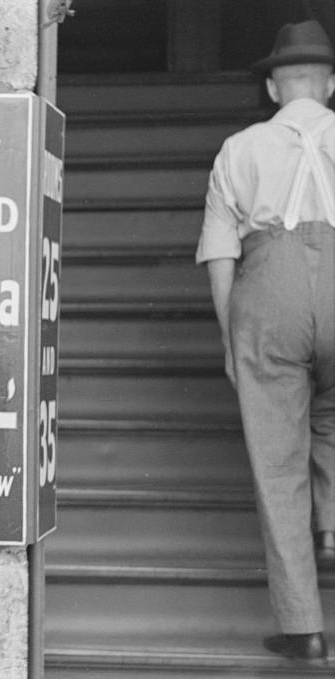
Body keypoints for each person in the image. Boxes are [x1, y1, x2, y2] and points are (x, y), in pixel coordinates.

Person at [197, 19, 335, 664]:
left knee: (278, 462)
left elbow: (221, 254)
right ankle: (331, 526)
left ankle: (304, 627)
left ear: (276, 91)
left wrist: (232, 337)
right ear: (329, 85)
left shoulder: (239, 147)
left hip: (268, 290)